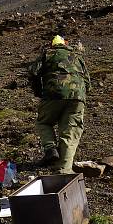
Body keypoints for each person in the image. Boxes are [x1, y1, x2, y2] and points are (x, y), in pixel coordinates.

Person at [27, 35, 91, 173]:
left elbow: (33, 72)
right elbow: (87, 81)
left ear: (52, 45)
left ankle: (50, 148)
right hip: (77, 97)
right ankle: (64, 169)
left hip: (52, 95)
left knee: (43, 122)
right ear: (65, 44)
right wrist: (81, 94)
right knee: (70, 131)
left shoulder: (48, 54)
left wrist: (39, 91)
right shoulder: (77, 56)